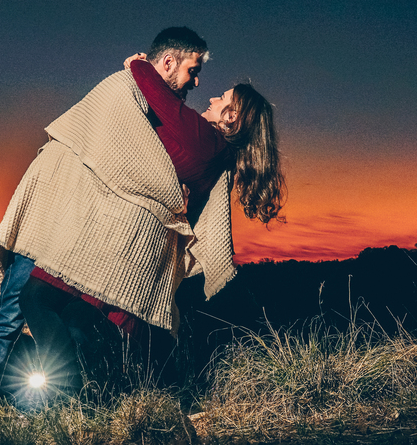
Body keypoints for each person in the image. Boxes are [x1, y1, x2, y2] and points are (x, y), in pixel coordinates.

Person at [0, 27, 212, 425]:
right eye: (192, 70)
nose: (195, 82)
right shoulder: (122, 90)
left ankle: (54, 412)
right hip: (53, 211)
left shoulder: (157, 109)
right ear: (168, 62)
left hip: (82, 231)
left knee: (71, 320)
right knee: (12, 309)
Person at [17, 50, 284, 397]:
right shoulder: (209, 144)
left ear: (232, 117)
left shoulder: (209, 143)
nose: (214, 97)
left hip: (128, 245)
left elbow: (164, 106)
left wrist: (139, 66)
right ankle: (77, 402)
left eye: (225, 99)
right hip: (113, 238)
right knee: (68, 318)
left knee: (45, 304)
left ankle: (69, 402)